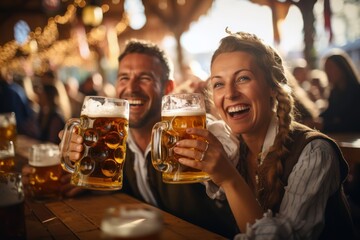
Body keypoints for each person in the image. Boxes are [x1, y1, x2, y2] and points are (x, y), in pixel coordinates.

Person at [22, 39, 239, 238]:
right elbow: (91, 171)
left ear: (168, 88)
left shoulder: (199, 134)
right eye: (124, 78)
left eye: (144, 78)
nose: (131, 88)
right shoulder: (114, 141)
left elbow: (229, 168)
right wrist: (74, 171)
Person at [174, 31, 355, 239]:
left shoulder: (314, 153)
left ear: (272, 87)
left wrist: (229, 178)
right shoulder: (230, 145)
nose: (230, 93)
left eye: (243, 78)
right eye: (219, 84)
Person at [319, 48, 360, 133]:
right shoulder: (334, 93)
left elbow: (353, 124)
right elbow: (328, 114)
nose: (327, 72)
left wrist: (324, 125)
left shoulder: (356, 92)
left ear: (343, 68)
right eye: (325, 69)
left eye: (330, 68)